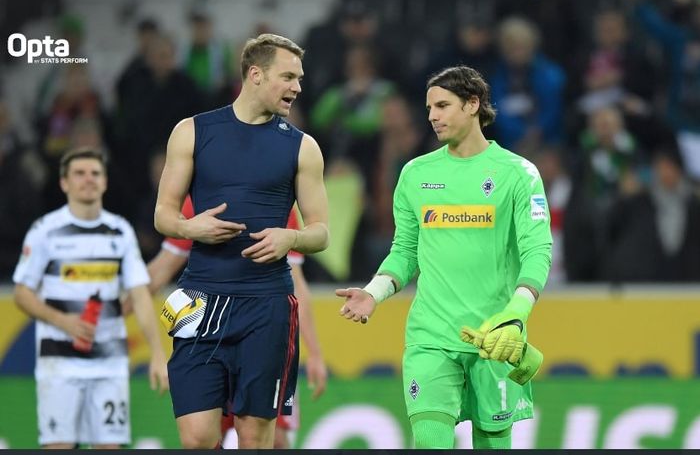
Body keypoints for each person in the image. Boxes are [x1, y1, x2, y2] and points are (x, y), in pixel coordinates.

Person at [336, 65, 552, 449]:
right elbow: (404, 251)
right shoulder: (415, 175)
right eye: (429, 107)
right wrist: (374, 292)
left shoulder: (519, 173)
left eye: (443, 105)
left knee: (493, 443)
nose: (433, 116)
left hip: (495, 338)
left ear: (473, 105)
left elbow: (538, 251)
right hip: (430, 337)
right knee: (430, 440)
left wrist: (516, 314)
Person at [154, 33, 329, 449]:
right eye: (288, 77)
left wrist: (292, 236)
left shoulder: (303, 147)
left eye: (299, 78)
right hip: (199, 299)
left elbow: (321, 232)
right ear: (255, 74)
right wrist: (189, 228)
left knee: (254, 437)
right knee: (197, 438)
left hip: (267, 305)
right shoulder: (192, 132)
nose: (297, 87)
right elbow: (163, 214)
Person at [12, 148, 168, 449]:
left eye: (95, 173)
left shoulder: (120, 231)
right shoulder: (45, 232)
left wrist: (158, 354)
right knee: (59, 446)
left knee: (109, 447)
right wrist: (62, 321)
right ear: (64, 183)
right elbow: (21, 293)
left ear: (105, 182)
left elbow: (140, 294)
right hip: (59, 364)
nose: (88, 180)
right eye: (79, 174)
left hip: (109, 363)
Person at [141, 197, 327, 448]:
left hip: (261, 329)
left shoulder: (278, 200)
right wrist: (118, 308)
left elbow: (296, 282)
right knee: (200, 436)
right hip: (209, 337)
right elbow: (161, 269)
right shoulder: (200, 198)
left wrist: (314, 352)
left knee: (275, 440)